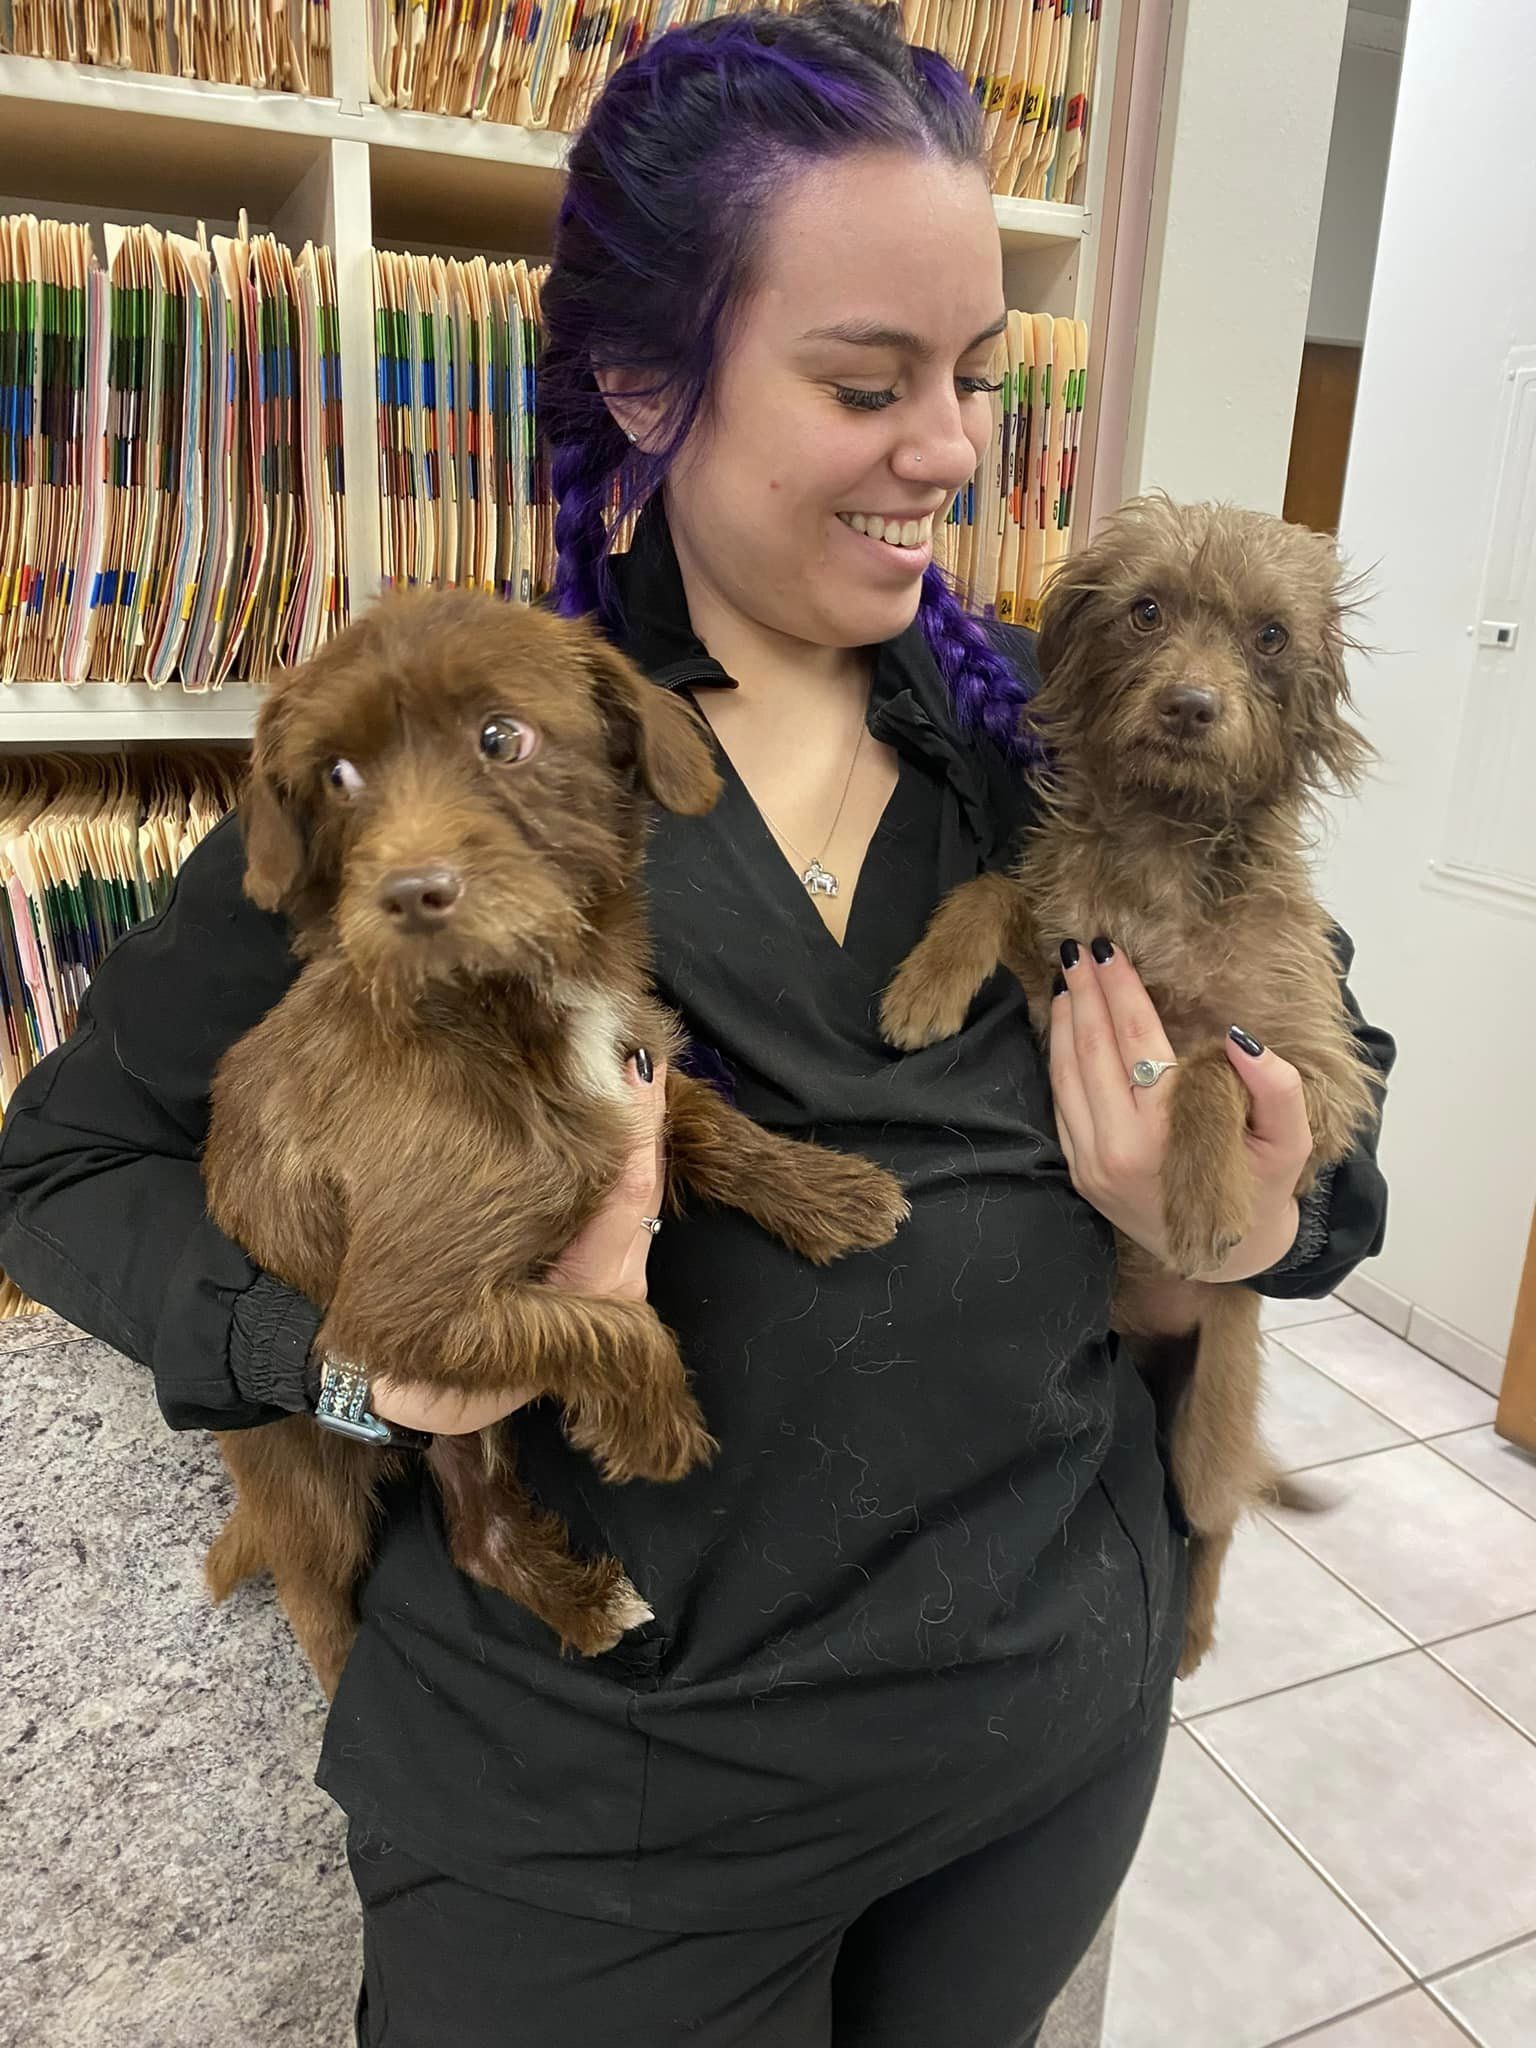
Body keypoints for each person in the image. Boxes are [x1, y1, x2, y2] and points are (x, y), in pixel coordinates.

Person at [0, 6, 1394, 2043]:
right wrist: (353, 1364)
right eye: (866, 381)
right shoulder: (450, 756)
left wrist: (1245, 1227)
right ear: (653, 382)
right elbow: (59, 1168)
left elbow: (1341, 1153)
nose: (948, 450)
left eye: (975, 381)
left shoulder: (1060, 730)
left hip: (1030, 1758)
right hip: (599, 1831)